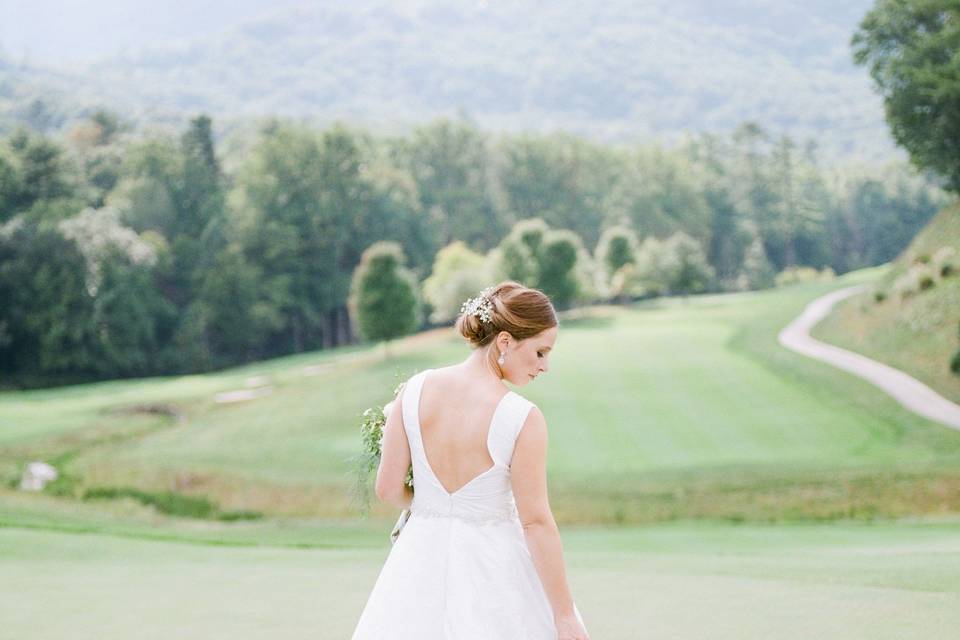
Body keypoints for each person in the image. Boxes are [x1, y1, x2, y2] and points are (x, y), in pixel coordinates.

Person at [351, 281, 590, 640]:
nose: (545, 366)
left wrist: (433, 506)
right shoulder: (521, 417)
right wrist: (565, 615)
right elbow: (536, 523)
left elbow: (387, 489)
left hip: (418, 562)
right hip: (494, 571)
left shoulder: (413, 390)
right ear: (505, 342)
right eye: (540, 352)